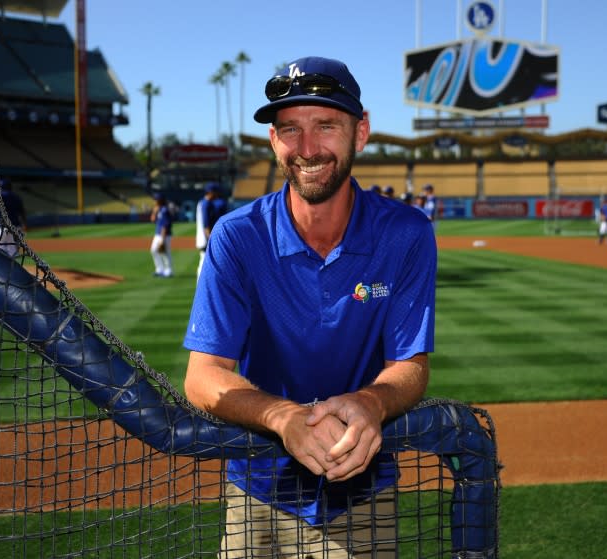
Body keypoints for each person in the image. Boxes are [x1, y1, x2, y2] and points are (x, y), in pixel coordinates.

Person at [182, 56, 437, 558]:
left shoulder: (406, 233)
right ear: (274, 141)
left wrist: (370, 403)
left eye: (326, 126)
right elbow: (202, 375)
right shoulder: (237, 236)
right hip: (255, 485)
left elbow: (410, 366)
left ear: (360, 132)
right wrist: (283, 418)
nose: (307, 148)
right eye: (290, 129)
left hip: (359, 489)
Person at [195, 181, 227, 280]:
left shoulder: (201, 202)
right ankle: (201, 286)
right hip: (205, 238)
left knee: (203, 262)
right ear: (211, 192)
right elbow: (206, 225)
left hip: (201, 237)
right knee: (204, 262)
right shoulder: (207, 204)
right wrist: (210, 240)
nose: (217, 194)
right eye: (216, 192)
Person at [0, 177, 27, 258]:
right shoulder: (17, 197)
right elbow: (22, 212)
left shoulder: (0, 196)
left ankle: (2, 267)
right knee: (12, 249)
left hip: (1, 227)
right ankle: (13, 267)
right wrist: (24, 224)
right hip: (15, 226)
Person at [150, 193, 173, 278]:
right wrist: (154, 211)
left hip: (164, 235)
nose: (154, 201)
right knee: (154, 250)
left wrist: (162, 240)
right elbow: (152, 220)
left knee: (165, 252)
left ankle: (169, 271)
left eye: (156, 199)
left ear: (160, 200)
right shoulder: (158, 209)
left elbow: (165, 226)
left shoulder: (164, 210)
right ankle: (160, 269)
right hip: (158, 234)